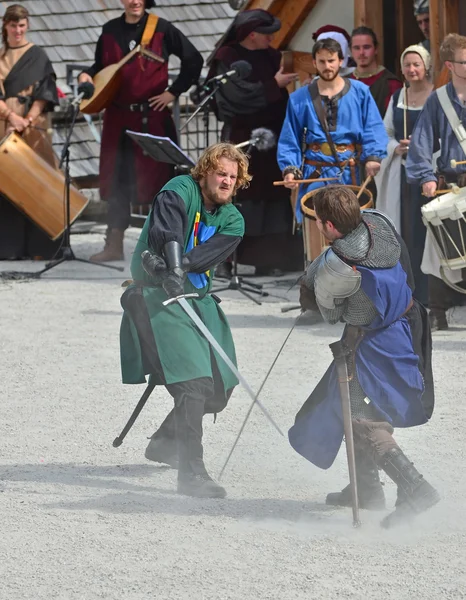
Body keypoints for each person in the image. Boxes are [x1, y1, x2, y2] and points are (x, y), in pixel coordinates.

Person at [291, 186, 438, 529]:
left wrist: (313, 290)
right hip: (407, 322)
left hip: (375, 343)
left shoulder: (343, 268)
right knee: (346, 404)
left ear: (327, 226)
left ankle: (415, 488)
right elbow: (407, 275)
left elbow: (333, 316)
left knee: (359, 413)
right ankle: (367, 489)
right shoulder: (378, 225)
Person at [119, 143, 249, 498]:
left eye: (232, 177)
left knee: (220, 388)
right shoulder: (179, 190)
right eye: (220, 173)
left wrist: (183, 268)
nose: (226, 181)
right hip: (156, 297)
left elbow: (206, 254)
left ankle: (165, 442)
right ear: (205, 171)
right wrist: (169, 267)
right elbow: (167, 233)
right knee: (193, 384)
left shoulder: (232, 219)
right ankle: (191, 473)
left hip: (197, 299)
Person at [78, 0, 203, 263]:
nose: (135, 1)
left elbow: (194, 60)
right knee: (116, 180)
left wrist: (172, 92)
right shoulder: (110, 30)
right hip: (117, 118)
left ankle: (164, 249)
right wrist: (86, 76)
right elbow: (100, 67)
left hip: (152, 118)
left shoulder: (162, 29)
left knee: (160, 182)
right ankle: (114, 244)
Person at [208, 9, 302, 278]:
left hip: (271, 140)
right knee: (236, 196)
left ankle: (268, 259)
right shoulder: (227, 58)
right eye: (267, 34)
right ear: (251, 35)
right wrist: (273, 85)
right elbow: (233, 97)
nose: (273, 38)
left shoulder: (273, 57)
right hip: (241, 140)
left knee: (271, 198)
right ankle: (226, 259)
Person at [277, 38, 387, 225]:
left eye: (331, 60)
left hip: (350, 172)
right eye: (321, 61)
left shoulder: (360, 92)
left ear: (341, 61)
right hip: (315, 171)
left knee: (350, 228)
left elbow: (373, 127)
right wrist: (290, 169)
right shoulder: (299, 98)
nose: (327, 66)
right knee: (316, 227)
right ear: (314, 63)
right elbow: (290, 138)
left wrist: (373, 157)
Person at [406, 33, 466, 331]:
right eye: (464, 62)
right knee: (438, 248)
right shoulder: (438, 100)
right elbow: (421, 142)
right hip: (451, 183)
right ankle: (437, 311)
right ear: (449, 65)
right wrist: (426, 177)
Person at [0, 4, 60, 260]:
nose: (17, 30)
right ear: (6, 26)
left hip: (34, 125)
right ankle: (9, 248)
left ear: (27, 26)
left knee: (39, 182)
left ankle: (41, 248)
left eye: (22, 25)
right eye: (13, 25)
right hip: (5, 122)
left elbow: (46, 91)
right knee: (8, 183)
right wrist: (11, 116)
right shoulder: (0, 57)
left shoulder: (38, 55)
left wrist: (27, 118)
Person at [375, 45, 433, 306]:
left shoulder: (436, 97)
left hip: (428, 176)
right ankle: (406, 294)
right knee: (404, 233)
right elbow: (385, 133)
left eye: (416, 64)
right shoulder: (398, 97)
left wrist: (424, 151)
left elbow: (444, 136)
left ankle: (430, 296)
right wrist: (395, 147)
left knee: (426, 235)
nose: (412, 69)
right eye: (407, 65)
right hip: (401, 175)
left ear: (426, 66)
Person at [349, 26, 402, 117]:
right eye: (357, 48)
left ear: (376, 49)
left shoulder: (391, 84)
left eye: (366, 47)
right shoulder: (343, 83)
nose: (361, 52)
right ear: (351, 51)